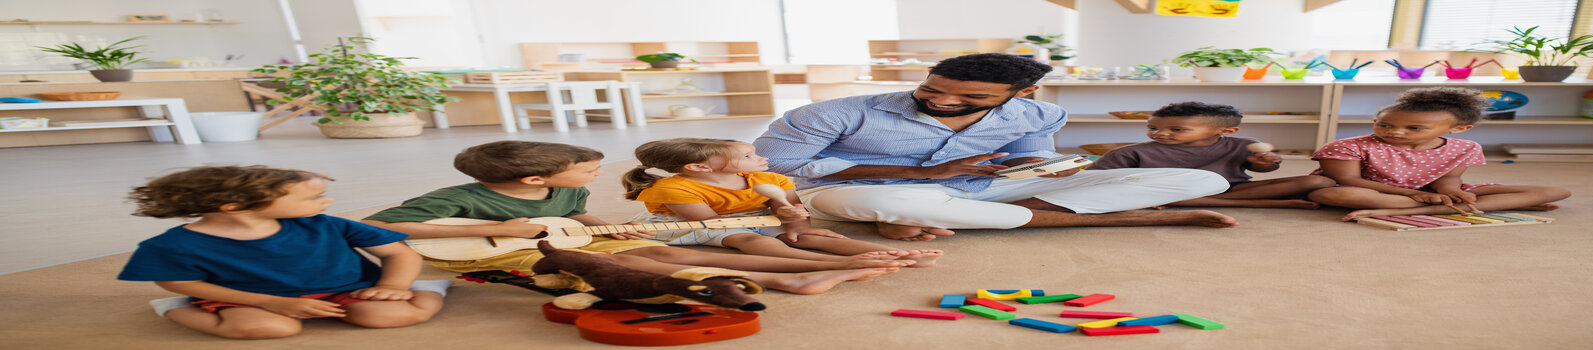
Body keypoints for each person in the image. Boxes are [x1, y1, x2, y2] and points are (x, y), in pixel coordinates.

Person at [754, 53, 1238, 242]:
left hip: (987, 190)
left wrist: (1047, 167)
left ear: (1020, 93)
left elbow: (1036, 155)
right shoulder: (833, 111)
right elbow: (778, 165)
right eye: (933, 89)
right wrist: (927, 175)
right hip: (867, 190)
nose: (943, 100)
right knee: (883, 200)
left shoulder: (1040, 112)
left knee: (1204, 179)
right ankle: (1133, 216)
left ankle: (950, 215)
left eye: (969, 98)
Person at [361, 141, 897, 295]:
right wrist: (499, 228)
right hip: (494, 253)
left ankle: (795, 269)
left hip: (567, 239)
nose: (598, 174)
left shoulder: (561, 198)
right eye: (588, 171)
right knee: (640, 266)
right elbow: (377, 228)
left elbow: (579, 216)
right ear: (533, 181)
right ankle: (794, 278)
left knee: (664, 248)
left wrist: (606, 224)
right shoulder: (455, 198)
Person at [119, 166, 446, 339]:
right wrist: (269, 302)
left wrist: (393, 287)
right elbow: (179, 282)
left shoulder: (326, 224)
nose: (325, 202)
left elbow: (399, 254)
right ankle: (173, 311)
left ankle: (428, 289)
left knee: (393, 316)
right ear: (235, 207)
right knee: (269, 329)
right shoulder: (172, 245)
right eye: (312, 198)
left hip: (349, 290)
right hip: (247, 297)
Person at [621, 138, 942, 267]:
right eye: (748, 156)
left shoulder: (772, 180)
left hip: (756, 215)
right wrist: (775, 224)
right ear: (699, 168)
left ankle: (896, 256)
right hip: (702, 223)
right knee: (747, 240)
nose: (761, 158)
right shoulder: (672, 190)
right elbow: (711, 223)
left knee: (814, 236)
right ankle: (819, 265)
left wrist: (793, 221)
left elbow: (790, 207)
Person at [1305, 87, 1570, 221]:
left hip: (1431, 192)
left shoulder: (1465, 147)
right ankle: (1465, 209)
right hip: (1377, 191)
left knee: (1556, 192)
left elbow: (1448, 178)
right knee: (1335, 194)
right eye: (1384, 124)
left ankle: (1438, 209)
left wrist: (1454, 190)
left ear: (1458, 128)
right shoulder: (1348, 145)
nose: (1396, 132)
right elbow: (1350, 181)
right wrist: (1414, 194)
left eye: (1414, 128)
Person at [1087, 102, 1336, 209]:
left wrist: (1267, 163)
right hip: (1168, 192)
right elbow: (1093, 181)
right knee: (1134, 196)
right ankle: (1267, 204)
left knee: (1320, 181)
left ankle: (1242, 202)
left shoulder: (1245, 144)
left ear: (1226, 130)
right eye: (1153, 128)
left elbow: (1262, 170)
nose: (1160, 134)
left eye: (1176, 129)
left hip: (1230, 189)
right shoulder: (1131, 152)